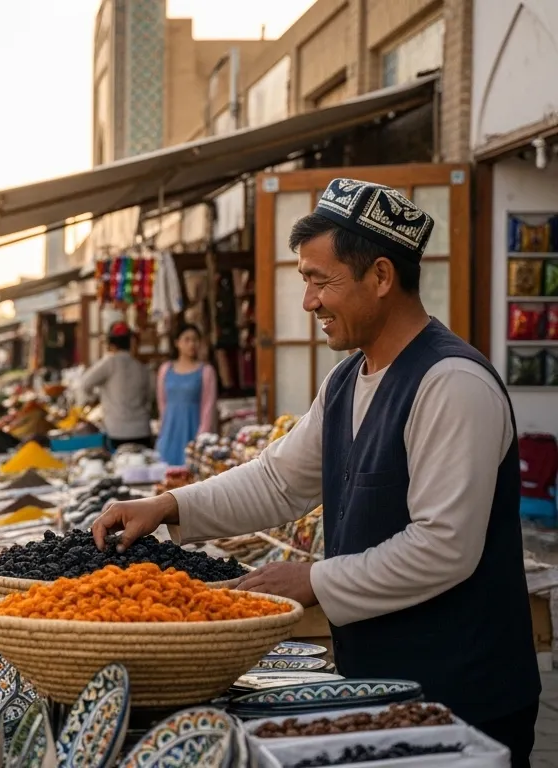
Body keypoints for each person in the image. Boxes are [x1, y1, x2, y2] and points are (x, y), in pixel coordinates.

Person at [93, 179, 540, 765]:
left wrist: (313, 580)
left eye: (320, 281)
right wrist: (171, 507)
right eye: (305, 282)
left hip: (462, 693)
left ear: (381, 277)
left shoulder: (451, 384)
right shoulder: (347, 380)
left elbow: (444, 547)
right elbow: (278, 480)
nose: (309, 303)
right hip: (379, 683)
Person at [80, 322, 154, 451]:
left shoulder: (109, 363)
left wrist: (94, 398)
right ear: (130, 343)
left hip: (117, 431)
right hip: (142, 430)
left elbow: (85, 383)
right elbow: (150, 397)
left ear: (111, 345)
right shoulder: (142, 368)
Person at [154, 324, 217, 466]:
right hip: (170, 430)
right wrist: (162, 431)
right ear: (177, 343)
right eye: (187, 340)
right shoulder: (165, 369)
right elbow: (162, 402)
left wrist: (201, 438)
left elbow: (208, 406)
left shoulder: (206, 371)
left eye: (195, 340)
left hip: (193, 429)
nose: (191, 344)